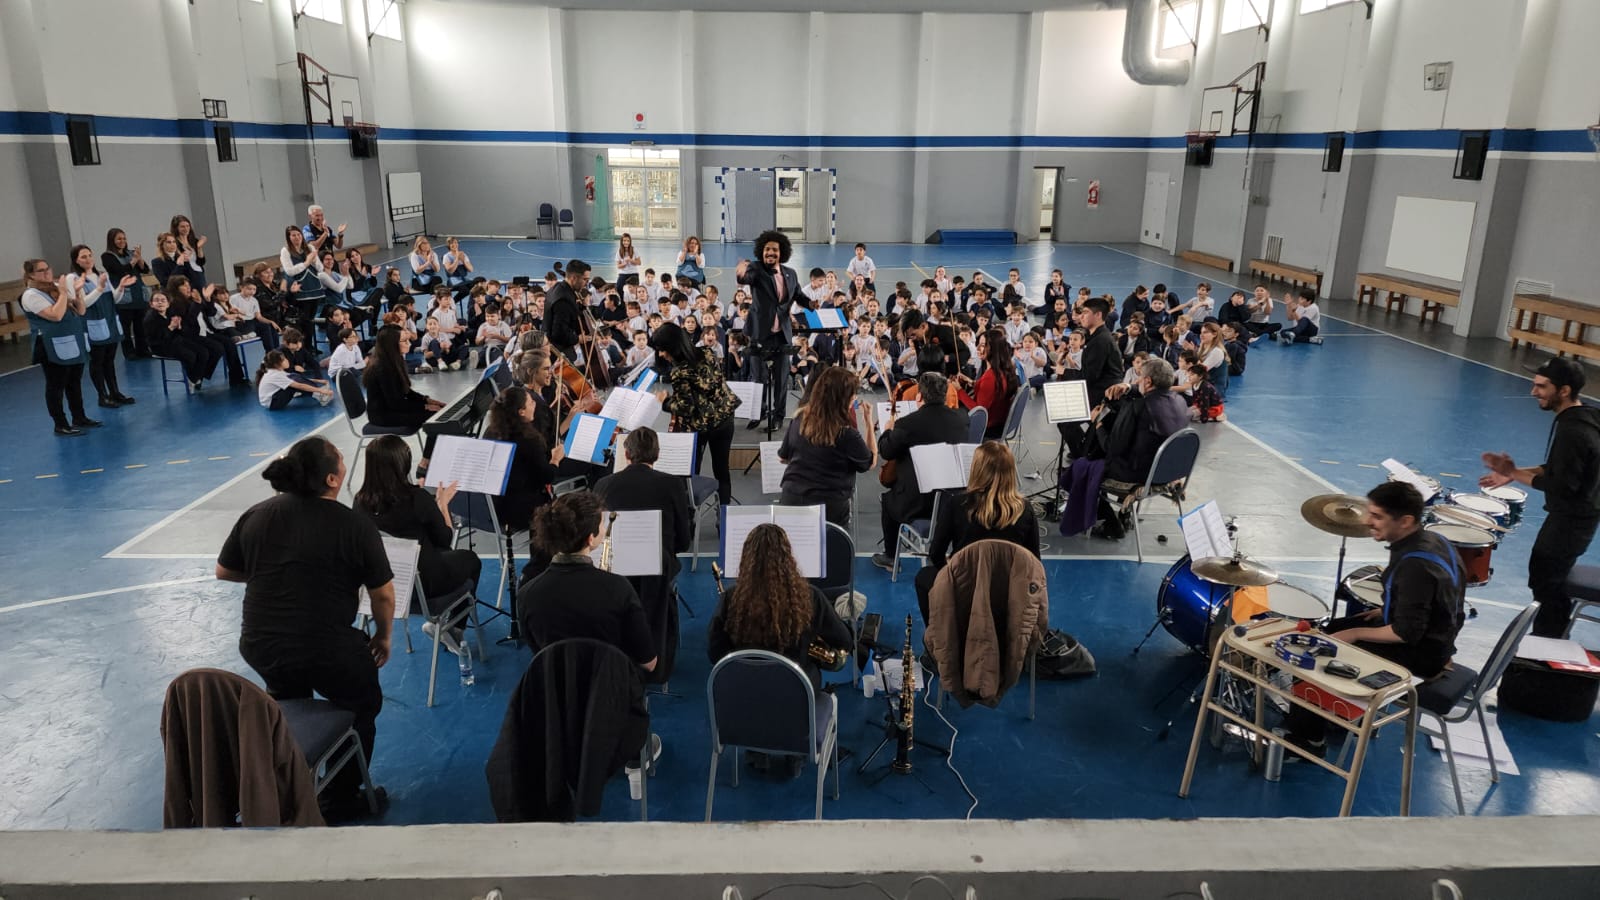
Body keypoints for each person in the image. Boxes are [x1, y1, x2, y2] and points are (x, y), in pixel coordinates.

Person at [215, 436, 395, 822]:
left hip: (263, 646)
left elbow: (224, 570)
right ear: (332, 479)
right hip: (327, 649)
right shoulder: (354, 524)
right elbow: (382, 595)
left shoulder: (257, 514)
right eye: (341, 461)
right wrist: (383, 637)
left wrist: (270, 573)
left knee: (288, 702)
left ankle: (286, 784)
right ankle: (338, 796)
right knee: (362, 704)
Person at [1283, 482, 1467, 757]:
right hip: (1437, 638)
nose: (1367, 521)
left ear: (1405, 521)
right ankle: (1332, 713)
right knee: (1334, 627)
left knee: (1320, 651)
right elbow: (1437, 597)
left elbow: (1406, 632)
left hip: (1421, 654)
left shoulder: (1415, 565)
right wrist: (1388, 609)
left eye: (1377, 516)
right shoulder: (1433, 541)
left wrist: (1356, 634)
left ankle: (1307, 742)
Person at [1480, 358, 1600, 637]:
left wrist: (1513, 472)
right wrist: (1516, 473)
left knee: (1547, 583)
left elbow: (1562, 485)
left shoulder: (1573, 431)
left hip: (1570, 522)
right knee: (1547, 580)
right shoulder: (1586, 416)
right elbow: (1561, 468)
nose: (1534, 392)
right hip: (1579, 518)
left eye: (1542, 387)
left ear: (1564, 390)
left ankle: (1549, 643)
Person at [354, 435, 482, 647]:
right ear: (402, 465)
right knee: (471, 560)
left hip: (382, 586)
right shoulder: (417, 497)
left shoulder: (359, 503)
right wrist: (442, 505)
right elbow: (445, 540)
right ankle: (455, 629)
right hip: (423, 587)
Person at [593, 427, 694, 680]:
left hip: (613, 567)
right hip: (657, 569)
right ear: (657, 455)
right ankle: (656, 665)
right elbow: (684, 541)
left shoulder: (603, 484)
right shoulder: (672, 484)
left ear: (626, 454)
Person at [708, 523, 851, 696]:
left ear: (746, 559)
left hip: (742, 690)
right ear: (788, 558)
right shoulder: (810, 596)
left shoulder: (731, 597)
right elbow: (844, 641)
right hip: (795, 691)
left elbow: (715, 653)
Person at [914, 441, 1040, 627]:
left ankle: (937, 634)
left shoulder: (957, 504)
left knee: (923, 577)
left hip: (964, 589)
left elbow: (935, 554)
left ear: (976, 469)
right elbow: (1034, 562)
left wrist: (952, 567)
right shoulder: (1025, 510)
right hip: (1008, 592)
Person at [874, 371, 970, 570]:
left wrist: (887, 431)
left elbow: (886, 451)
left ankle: (890, 557)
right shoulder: (962, 419)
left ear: (919, 397)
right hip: (952, 501)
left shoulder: (906, 424)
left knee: (888, 500)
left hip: (916, 504)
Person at [776, 365, 876, 526]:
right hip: (829, 507)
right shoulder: (847, 434)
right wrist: (869, 422)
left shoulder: (799, 419)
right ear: (842, 398)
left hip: (791, 499)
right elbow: (870, 462)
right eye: (852, 394)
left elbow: (783, 457)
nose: (854, 397)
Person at [652, 322, 739, 506]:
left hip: (701, 425)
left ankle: (691, 514)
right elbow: (705, 388)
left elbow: (686, 408)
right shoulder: (708, 352)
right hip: (725, 417)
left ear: (672, 347)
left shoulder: (679, 372)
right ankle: (725, 513)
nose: (660, 354)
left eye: (662, 349)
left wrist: (665, 401)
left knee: (692, 472)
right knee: (722, 469)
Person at [18, 258, 99, 436]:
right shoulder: (31, 295)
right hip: (51, 346)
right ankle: (60, 424)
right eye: (41, 270)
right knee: (56, 385)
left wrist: (77, 293)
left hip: (71, 341)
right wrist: (63, 293)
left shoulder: (55, 287)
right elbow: (55, 315)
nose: (47, 272)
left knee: (74, 382)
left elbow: (81, 310)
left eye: (47, 268)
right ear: (31, 275)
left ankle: (79, 417)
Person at [736, 230, 801, 431]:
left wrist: (810, 304)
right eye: (767, 249)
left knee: (781, 379)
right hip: (759, 333)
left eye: (774, 249)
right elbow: (745, 279)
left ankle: (778, 416)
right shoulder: (756, 268)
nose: (770, 252)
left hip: (781, 334)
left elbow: (797, 294)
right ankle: (759, 412)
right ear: (761, 251)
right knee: (758, 378)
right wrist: (741, 272)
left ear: (782, 253)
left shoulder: (790, 273)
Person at [362, 325, 446, 467]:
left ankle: (431, 459)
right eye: (404, 341)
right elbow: (396, 403)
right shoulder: (382, 367)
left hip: (393, 409)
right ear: (391, 345)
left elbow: (406, 392)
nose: (409, 343)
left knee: (438, 413)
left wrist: (426, 399)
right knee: (437, 419)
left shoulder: (394, 360)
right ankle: (425, 463)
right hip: (383, 415)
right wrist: (424, 407)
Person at [483, 386, 563, 534]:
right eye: (531, 402)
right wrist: (555, 459)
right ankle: (541, 546)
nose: (535, 404)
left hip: (494, 506)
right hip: (522, 510)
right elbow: (548, 476)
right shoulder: (529, 439)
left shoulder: (490, 432)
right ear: (521, 412)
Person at [67, 243, 137, 409]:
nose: (88, 259)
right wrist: (99, 288)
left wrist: (121, 287)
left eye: (89, 255)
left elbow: (114, 298)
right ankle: (102, 395)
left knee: (109, 360)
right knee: (97, 361)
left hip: (110, 322)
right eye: (83, 257)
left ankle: (114, 392)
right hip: (93, 323)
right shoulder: (74, 278)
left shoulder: (100, 274)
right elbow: (83, 304)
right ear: (76, 260)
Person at [1057, 296, 1123, 457]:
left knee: (1065, 422)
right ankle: (1084, 451)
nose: (1081, 316)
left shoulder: (1100, 341)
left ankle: (1081, 457)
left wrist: (1064, 372)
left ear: (1098, 315)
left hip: (1102, 395)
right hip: (1096, 390)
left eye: (1085, 312)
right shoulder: (1097, 337)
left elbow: (1089, 376)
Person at [144, 290, 221, 391]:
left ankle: (195, 378)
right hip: (160, 346)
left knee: (203, 352)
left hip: (175, 341)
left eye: (163, 300)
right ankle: (193, 379)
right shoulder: (150, 318)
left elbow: (180, 332)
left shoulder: (170, 313)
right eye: (156, 300)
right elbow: (157, 338)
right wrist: (171, 328)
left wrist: (179, 326)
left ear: (168, 303)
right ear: (151, 304)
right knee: (190, 355)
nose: (160, 302)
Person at [956, 329, 1019, 441]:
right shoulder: (1002, 370)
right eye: (978, 344)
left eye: (983, 345)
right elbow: (990, 392)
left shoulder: (991, 377)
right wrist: (972, 382)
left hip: (988, 427)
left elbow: (979, 411)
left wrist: (959, 390)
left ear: (993, 348)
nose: (978, 348)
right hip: (998, 421)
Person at [102, 228, 152, 358]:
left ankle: (143, 349)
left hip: (138, 293)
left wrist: (139, 258)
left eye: (124, 238)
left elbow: (145, 269)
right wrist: (134, 261)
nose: (122, 241)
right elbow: (120, 270)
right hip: (124, 296)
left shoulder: (131, 253)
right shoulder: (107, 256)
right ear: (112, 240)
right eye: (119, 239)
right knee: (125, 326)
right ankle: (129, 352)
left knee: (141, 325)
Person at [279, 225, 325, 336]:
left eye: (298, 234)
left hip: (314, 287)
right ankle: (304, 344)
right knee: (304, 321)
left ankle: (310, 343)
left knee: (311, 320)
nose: (297, 237)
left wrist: (314, 261)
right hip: (299, 289)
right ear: (288, 237)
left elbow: (320, 268)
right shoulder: (285, 251)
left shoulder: (310, 248)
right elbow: (290, 271)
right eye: (293, 235)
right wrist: (306, 263)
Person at [545, 258, 590, 366]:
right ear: (574, 278)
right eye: (585, 279)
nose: (586, 284)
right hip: (559, 355)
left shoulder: (556, 288)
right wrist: (577, 339)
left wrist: (581, 306)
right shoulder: (564, 300)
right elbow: (558, 333)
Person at [256, 349, 334, 409]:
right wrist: (320, 390)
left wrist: (318, 380)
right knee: (294, 385)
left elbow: (298, 379)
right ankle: (320, 396)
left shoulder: (275, 370)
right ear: (277, 364)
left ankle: (318, 393)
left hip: (274, 398)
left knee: (293, 376)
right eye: (284, 360)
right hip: (273, 403)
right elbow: (299, 385)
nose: (286, 360)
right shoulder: (275, 375)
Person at [167, 215, 209, 292]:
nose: (186, 229)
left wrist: (199, 248)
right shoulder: (175, 243)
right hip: (186, 276)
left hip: (198, 273)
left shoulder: (194, 241)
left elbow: (201, 262)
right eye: (182, 227)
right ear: (176, 228)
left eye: (187, 226)